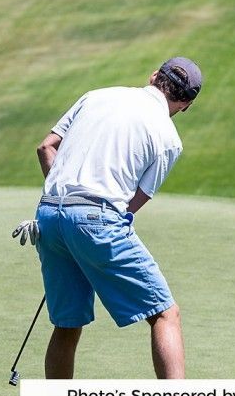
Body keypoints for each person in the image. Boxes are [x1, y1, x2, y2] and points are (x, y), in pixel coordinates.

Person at [11, 57, 201, 379]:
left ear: (154, 75)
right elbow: (132, 203)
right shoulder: (169, 139)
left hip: (49, 215)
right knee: (165, 314)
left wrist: (63, 209)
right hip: (95, 219)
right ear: (185, 104)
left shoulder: (95, 96)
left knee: (67, 323)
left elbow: (46, 148)